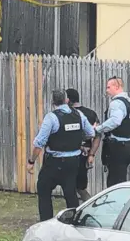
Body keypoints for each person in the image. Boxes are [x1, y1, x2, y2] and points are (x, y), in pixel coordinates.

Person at [27, 90, 96, 221]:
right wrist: (76, 142)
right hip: (73, 162)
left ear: (53, 102)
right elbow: (91, 133)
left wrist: (31, 162)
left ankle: (46, 221)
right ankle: (74, 221)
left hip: (54, 162)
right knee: (70, 193)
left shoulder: (51, 118)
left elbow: (39, 143)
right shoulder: (79, 114)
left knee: (43, 189)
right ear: (66, 100)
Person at [95, 76, 130, 187]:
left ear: (117, 86)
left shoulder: (117, 103)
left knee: (114, 182)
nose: (106, 90)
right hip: (129, 146)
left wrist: (98, 129)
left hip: (117, 147)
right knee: (120, 176)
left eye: (108, 87)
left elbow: (115, 121)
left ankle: (116, 203)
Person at [66, 88, 101, 202]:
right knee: (81, 186)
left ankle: (84, 207)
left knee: (70, 185)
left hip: (69, 155)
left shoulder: (66, 115)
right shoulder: (91, 114)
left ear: (67, 100)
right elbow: (97, 136)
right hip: (85, 154)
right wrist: (91, 154)